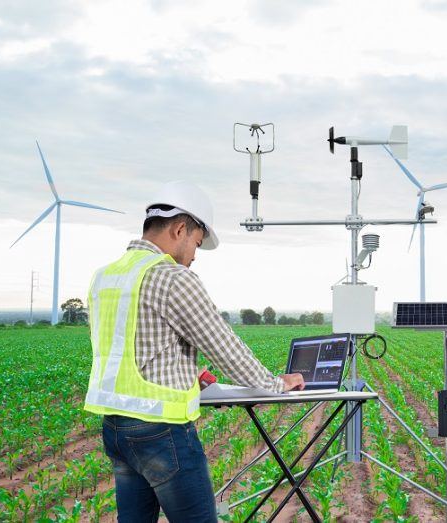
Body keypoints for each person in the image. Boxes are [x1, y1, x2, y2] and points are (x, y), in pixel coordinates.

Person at [83, 180, 305, 522]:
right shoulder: (171, 277)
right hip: (161, 431)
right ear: (180, 228)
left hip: (116, 428)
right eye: (197, 244)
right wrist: (276, 383)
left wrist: (191, 373)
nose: (194, 255)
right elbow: (225, 348)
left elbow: (124, 345)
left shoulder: (106, 276)